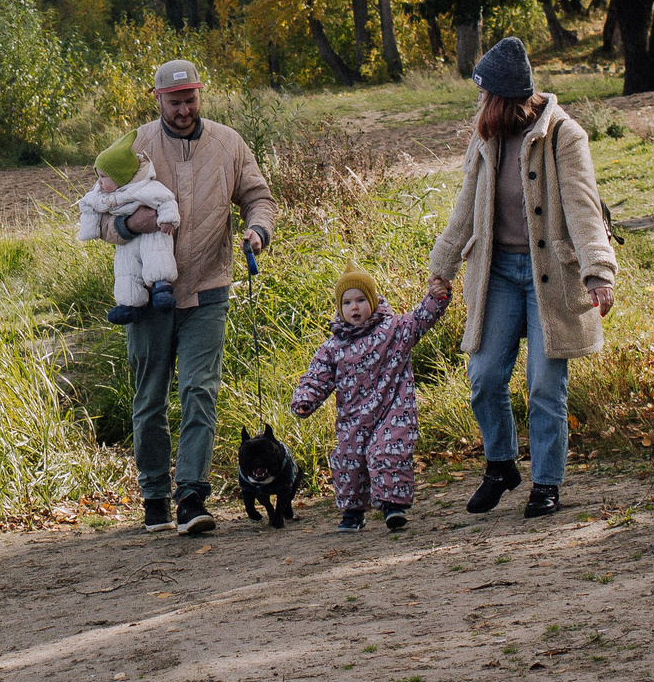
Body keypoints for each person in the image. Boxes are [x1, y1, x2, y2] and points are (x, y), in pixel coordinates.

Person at [426, 36, 617, 520]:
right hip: (499, 276)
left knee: (543, 386)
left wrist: (598, 272)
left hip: (549, 276)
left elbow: (583, 206)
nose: (479, 103)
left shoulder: (563, 135)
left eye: (484, 94)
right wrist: (441, 268)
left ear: (503, 98)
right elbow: (465, 207)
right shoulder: (485, 137)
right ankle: (501, 464)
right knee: (485, 375)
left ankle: (547, 483)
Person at [96, 58, 275, 536]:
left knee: (200, 390)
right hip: (146, 295)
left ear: (201, 94)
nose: (183, 109)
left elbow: (259, 196)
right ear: (157, 100)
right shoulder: (134, 146)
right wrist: (128, 224)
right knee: (150, 399)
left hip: (209, 288)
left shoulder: (229, 143)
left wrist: (258, 230)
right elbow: (97, 218)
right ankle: (154, 494)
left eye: (190, 99)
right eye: (174, 102)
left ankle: (191, 496)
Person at [288, 267, 453, 533]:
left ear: (373, 301)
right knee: (348, 459)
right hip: (353, 417)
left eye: (361, 300)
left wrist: (436, 297)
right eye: (347, 302)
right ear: (340, 308)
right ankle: (353, 513)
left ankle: (392, 507)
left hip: (393, 410)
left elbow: (421, 319)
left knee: (386, 451)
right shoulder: (334, 346)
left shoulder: (394, 330)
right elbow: (317, 376)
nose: (354, 307)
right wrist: (306, 398)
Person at [74, 133, 181, 324]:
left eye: (104, 177)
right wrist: (89, 230)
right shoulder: (101, 193)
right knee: (125, 270)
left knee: (157, 254)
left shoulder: (146, 188)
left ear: (120, 177)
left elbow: (166, 199)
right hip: (127, 242)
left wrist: (168, 219)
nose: (99, 182)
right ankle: (130, 305)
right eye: (98, 176)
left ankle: (162, 288)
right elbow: (87, 205)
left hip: (154, 232)